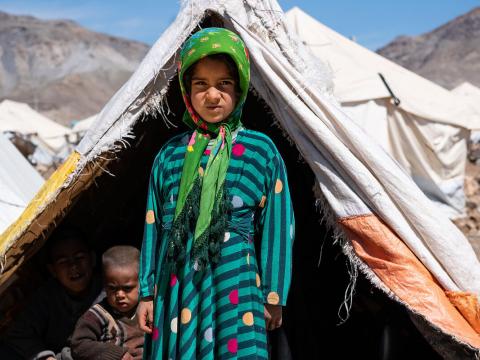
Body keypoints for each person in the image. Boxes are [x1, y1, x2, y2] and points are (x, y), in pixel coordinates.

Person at [137, 27, 295, 359]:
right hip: (175, 289)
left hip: (235, 284)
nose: (213, 95)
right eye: (201, 85)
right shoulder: (169, 155)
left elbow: (278, 226)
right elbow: (154, 224)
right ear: (186, 90)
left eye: (223, 84)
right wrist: (147, 293)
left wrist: (273, 295)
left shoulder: (259, 151)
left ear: (238, 89)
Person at [0, 228, 102, 360]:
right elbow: (20, 333)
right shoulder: (47, 296)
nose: (73, 266)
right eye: (63, 262)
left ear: (93, 259)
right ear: (53, 270)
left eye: (79, 257)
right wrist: (46, 357)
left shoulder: (108, 290)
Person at [70, 245, 144, 360]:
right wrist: (116, 354)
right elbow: (78, 344)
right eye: (112, 288)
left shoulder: (148, 310)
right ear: (105, 286)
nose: (120, 295)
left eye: (127, 288)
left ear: (142, 284)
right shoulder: (97, 315)